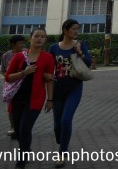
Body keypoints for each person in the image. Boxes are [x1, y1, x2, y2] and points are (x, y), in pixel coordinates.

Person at [4, 29, 55, 168]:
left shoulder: (48, 57)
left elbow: (50, 79)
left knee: (25, 128)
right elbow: (7, 77)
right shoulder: (19, 56)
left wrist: (50, 100)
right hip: (17, 98)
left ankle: (20, 162)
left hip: (35, 99)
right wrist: (23, 72)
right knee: (18, 130)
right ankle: (26, 151)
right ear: (30, 38)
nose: (39, 39)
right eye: (36, 36)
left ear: (45, 40)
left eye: (43, 37)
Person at [49, 19, 91, 167]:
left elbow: (89, 63)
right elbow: (49, 67)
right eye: (73, 29)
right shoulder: (54, 47)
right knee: (57, 125)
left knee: (66, 120)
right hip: (57, 89)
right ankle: (63, 140)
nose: (76, 32)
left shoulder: (80, 45)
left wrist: (79, 52)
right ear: (65, 30)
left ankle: (62, 153)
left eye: (77, 29)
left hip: (74, 88)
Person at [1, 35, 27, 138]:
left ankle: (22, 127)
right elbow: (3, 71)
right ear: (13, 45)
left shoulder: (26, 54)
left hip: (24, 84)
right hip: (11, 86)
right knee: (11, 108)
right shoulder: (6, 56)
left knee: (24, 107)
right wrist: (10, 80)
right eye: (20, 43)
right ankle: (13, 127)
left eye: (23, 43)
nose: (22, 46)